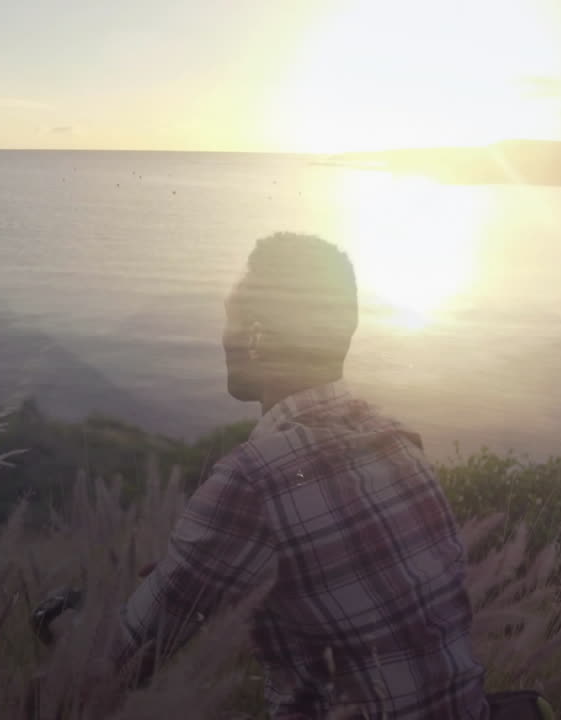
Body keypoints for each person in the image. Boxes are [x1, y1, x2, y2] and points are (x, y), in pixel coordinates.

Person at [90, 232, 491, 717]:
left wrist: (57, 620)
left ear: (257, 336)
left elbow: (121, 659)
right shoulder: (402, 443)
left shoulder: (252, 477)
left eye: (231, 319)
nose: (223, 337)